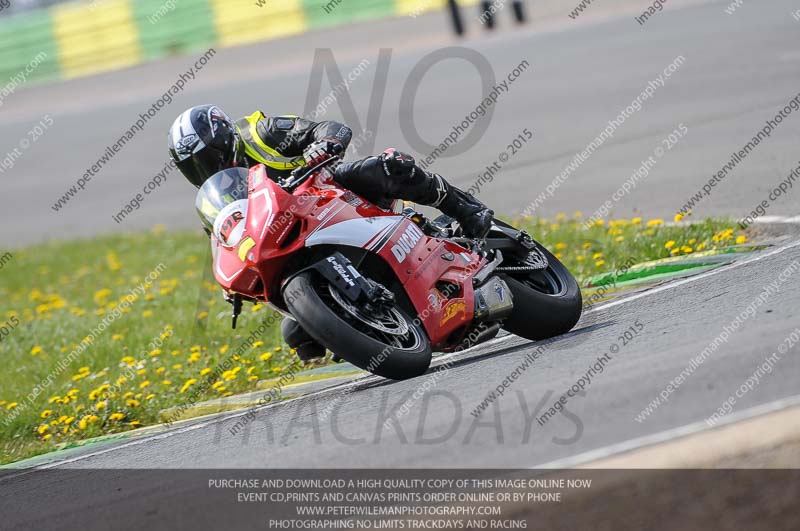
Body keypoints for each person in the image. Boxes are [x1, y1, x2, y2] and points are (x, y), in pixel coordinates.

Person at [168, 104, 494, 360]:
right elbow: (223, 241)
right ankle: (371, 323)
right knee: (296, 333)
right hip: (288, 241)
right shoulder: (218, 197)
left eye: (207, 158)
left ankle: (466, 209)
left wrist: (323, 144)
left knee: (389, 165)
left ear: (226, 140)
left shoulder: (261, 132)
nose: (205, 169)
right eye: (192, 167)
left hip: (330, 194)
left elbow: (332, 128)